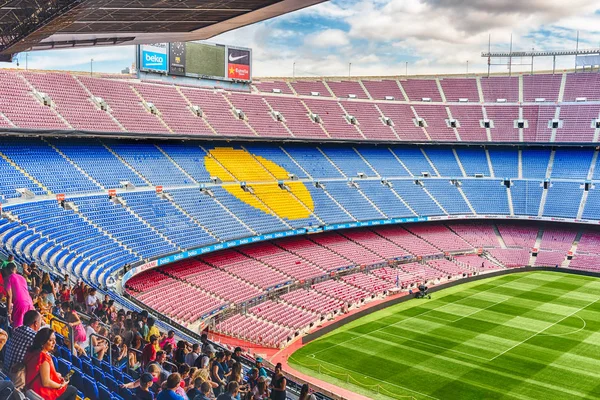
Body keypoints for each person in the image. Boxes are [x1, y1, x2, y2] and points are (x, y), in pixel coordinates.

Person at [23, 328, 77, 399]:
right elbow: (46, 382)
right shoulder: (43, 357)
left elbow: (39, 372)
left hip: (32, 387)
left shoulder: (32, 352)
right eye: (51, 340)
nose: (54, 342)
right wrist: (61, 386)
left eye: (55, 339)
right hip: (41, 393)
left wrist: (56, 375)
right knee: (72, 390)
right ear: (43, 342)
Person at [4, 262, 35, 327]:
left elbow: (9, 296)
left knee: (17, 328)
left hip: (20, 304)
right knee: (27, 327)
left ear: (8, 270)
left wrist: (9, 312)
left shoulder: (9, 278)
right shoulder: (22, 278)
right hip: (29, 303)